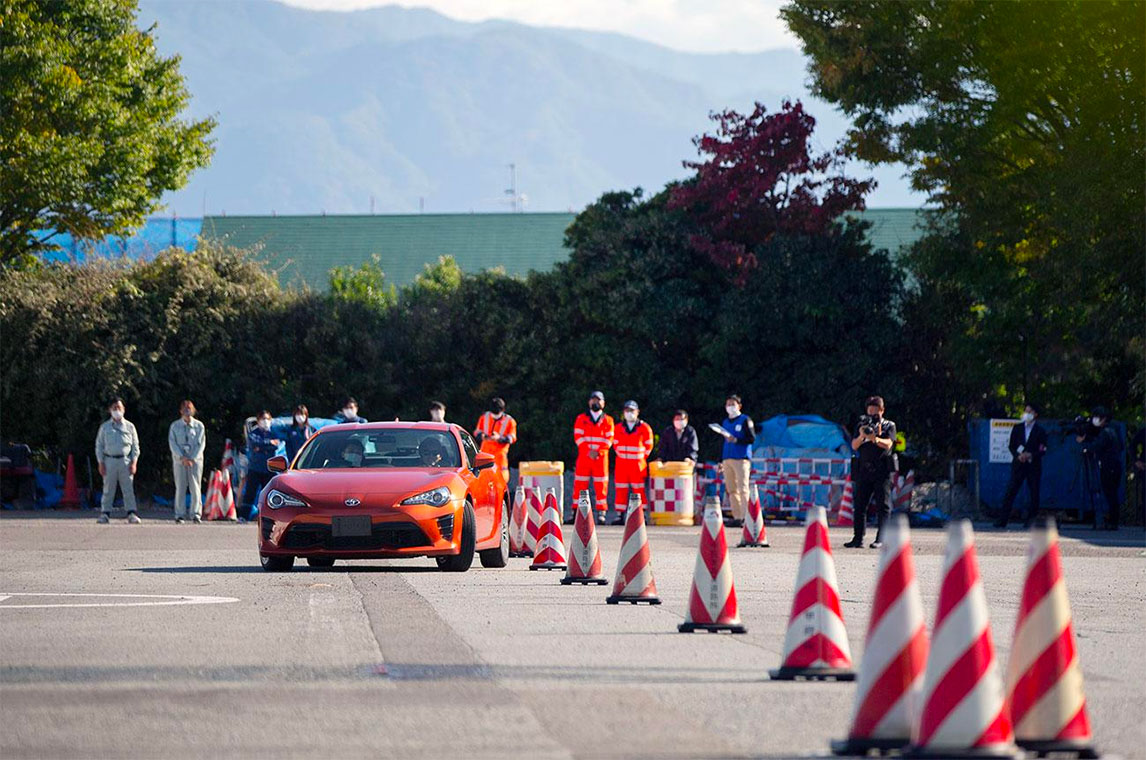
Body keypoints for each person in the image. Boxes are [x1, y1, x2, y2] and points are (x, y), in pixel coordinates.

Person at [845, 395, 897, 549]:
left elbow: (888, 444)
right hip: (864, 469)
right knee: (860, 505)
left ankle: (881, 538)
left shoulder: (889, 425)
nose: (872, 418)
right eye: (870, 413)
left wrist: (875, 438)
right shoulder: (861, 425)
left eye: (876, 414)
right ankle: (857, 538)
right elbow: (854, 446)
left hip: (882, 470)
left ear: (882, 411)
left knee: (883, 506)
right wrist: (863, 435)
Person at [993, 403, 1048, 528]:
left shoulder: (1040, 431)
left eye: (1030, 412)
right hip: (1019, 465)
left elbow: (1043, 449)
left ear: (1035, 414)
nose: (1026, 414)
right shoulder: (1017, 428)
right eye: (1025, 411)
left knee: (1034, 492)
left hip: (1033, 466)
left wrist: (1030, 455)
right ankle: (1002, 519)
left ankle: (1031, 520)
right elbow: (1011, 445)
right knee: (1011, 491)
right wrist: (1018, 455)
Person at [95, 397, 142, 524]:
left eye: (119, 408)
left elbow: (135, 446)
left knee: (128, 489)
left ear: (124, 410)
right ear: (110, 410)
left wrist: (134, 462)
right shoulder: (105, 427)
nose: (117, 410)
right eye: (114, 408)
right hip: (109, 460)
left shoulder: (130, 427)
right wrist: (101, 462)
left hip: (125, 461)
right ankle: (105, 513)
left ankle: (131, 513)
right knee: (108, 488)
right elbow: (99, 446)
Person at [1077, 406, 1122, 530]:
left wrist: (1087, 447)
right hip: (1115, 465)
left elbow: (1098, 445)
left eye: (1097, 417)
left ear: (1103, 419)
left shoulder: (1106, 432)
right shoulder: (1113, 430)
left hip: (1108, 465)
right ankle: (1113, 520)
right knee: (1112, 493)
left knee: (1110, 493)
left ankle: (1113, 522)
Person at [573, 391, 615, 524]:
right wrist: (588, 451)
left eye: (598, 400)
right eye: (593, 400)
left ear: (603, 403)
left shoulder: (608, 420)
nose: (595, 402)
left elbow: (609, 439)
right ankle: (576, 512)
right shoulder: (581, 418)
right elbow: (578, 437)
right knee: (580, 484)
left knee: (601, 485)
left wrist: (598, 452)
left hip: (600, 459)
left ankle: (601, 513)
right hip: (585, 457)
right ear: (589, 402)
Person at [612, 400, 654, 524]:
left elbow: (649, 445)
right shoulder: (618, 427)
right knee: (621, 489)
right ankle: (620, 515)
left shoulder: (644, 427)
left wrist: (640, 457)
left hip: (637, 465)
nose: (629, 413)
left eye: (632, 411)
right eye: (627, 411)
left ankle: (641, 515)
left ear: (637, 412)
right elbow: (615, 443)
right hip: (622, 463)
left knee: (639, 490)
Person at [717, 395, 755, 528]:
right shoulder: (726, 422)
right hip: (728, 458)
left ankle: (746, 516)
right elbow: (723, 442)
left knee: (743, 488)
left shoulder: (745, 420)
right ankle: (737, 516)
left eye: (733, 404)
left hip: (741, 458)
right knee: (731, 489)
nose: (730, 407)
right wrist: (721, 460)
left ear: (739, 406)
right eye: (728, 404)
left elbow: (752, 438)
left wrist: (737, 440)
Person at [168, 399, 206, 524]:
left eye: (189, 408)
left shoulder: (199, 426)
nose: (187, 410)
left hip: (195, 462)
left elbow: (201, 444)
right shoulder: (175, 426)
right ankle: (179, 514)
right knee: (180, 487)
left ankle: (196, 514)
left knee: (195, 487)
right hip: (180, 462)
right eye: (184, 408)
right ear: (180, 411)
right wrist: (182, 457)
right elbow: (172, 443)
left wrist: (192, 458)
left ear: (193, 410)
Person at [242, 410, 281, 518]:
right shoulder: (254, 433)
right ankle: (243, 516)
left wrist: (261, 447)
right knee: (250, 493)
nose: (265, 422)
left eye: (267, 419)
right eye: (263, 419)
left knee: (269, 494)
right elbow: (254, 443)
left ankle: (270, 517)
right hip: (255, 467)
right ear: (258, 421)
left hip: (270, 468)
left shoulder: (273, 432)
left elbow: (276, 445)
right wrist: (268, 443)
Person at [474, 397, 517, 484]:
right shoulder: (484, 417)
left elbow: (512, 438)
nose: (494, 416)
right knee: (483, 480)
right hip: (485, 454)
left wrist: (499, 438)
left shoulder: (510, 421)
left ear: (503, 410)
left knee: (501, 481)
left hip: (500, 456)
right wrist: (482, 435)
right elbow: (477, 432)